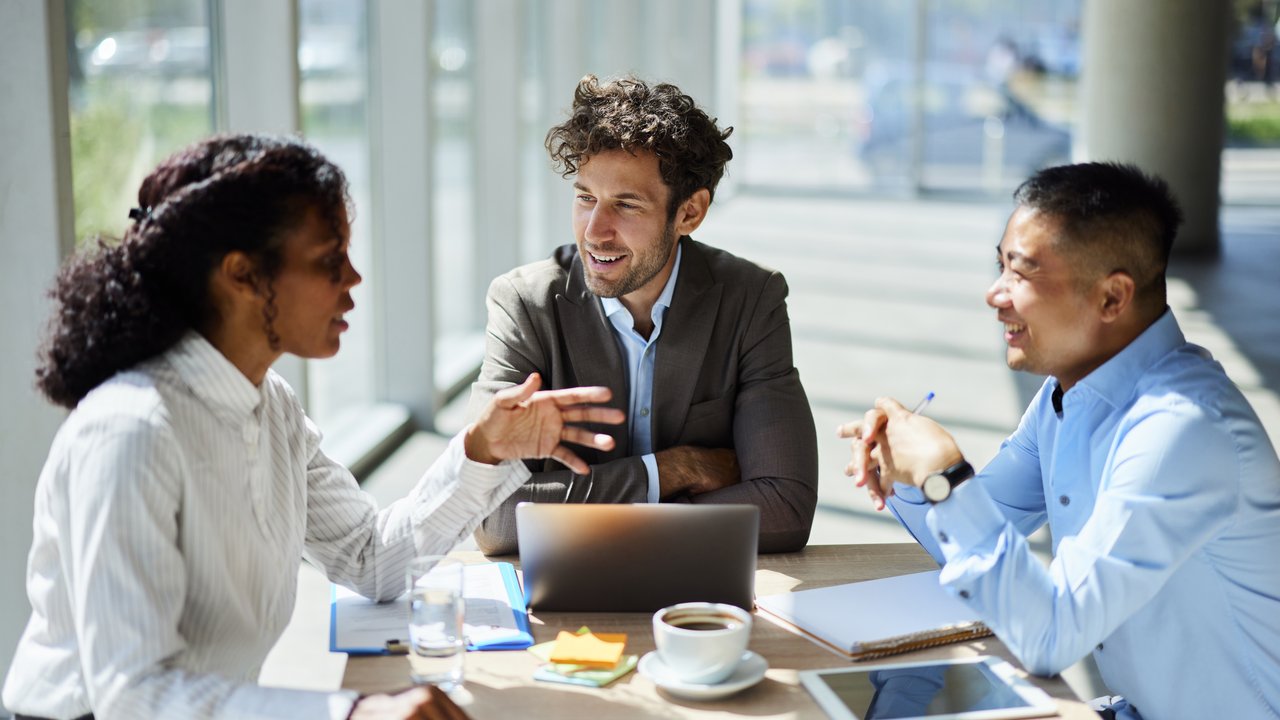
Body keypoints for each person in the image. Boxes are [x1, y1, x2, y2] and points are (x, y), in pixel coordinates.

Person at [1, 134, 624, 720]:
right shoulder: (130, 433)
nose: (353, 282)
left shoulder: (268, 405)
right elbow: (132, 695)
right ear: (242, 274)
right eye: (330, 261)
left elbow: (371, 560)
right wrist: (348, 711)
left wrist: (482, 450)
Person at [839, 162, 1280, 720]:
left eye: (1020, 274)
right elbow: (977, 531)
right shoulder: (1069, 392)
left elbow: (1050, 636)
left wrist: (946, 479)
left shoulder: (1182, 428)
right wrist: (902, 466)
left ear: (1112, 298)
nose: (994, 294)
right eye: (999, 266)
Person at [466, 75, 819, 555]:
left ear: (690, 213)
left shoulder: (750, 299)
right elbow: (492, 518)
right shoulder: (525, 304)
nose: (594, 232)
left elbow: (785, 507)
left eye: (625, 205)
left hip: (699, 599)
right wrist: (673, 470)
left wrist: (578, 516)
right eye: (585, 197)